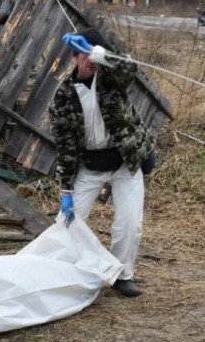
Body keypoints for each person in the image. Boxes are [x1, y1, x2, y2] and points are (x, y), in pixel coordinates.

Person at [49, 28, 155, 298]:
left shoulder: (111, 79)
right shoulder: (63, 96)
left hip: (124, 163)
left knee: (129, 224)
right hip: (89, 165)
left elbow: (129, 69)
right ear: (75, 57)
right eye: (84, 54)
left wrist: (100, 53)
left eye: (94, 53)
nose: (90, 60)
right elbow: (64, 145)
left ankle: (122, 275)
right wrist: (66, 192)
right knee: (68, 222)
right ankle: (68, 271)